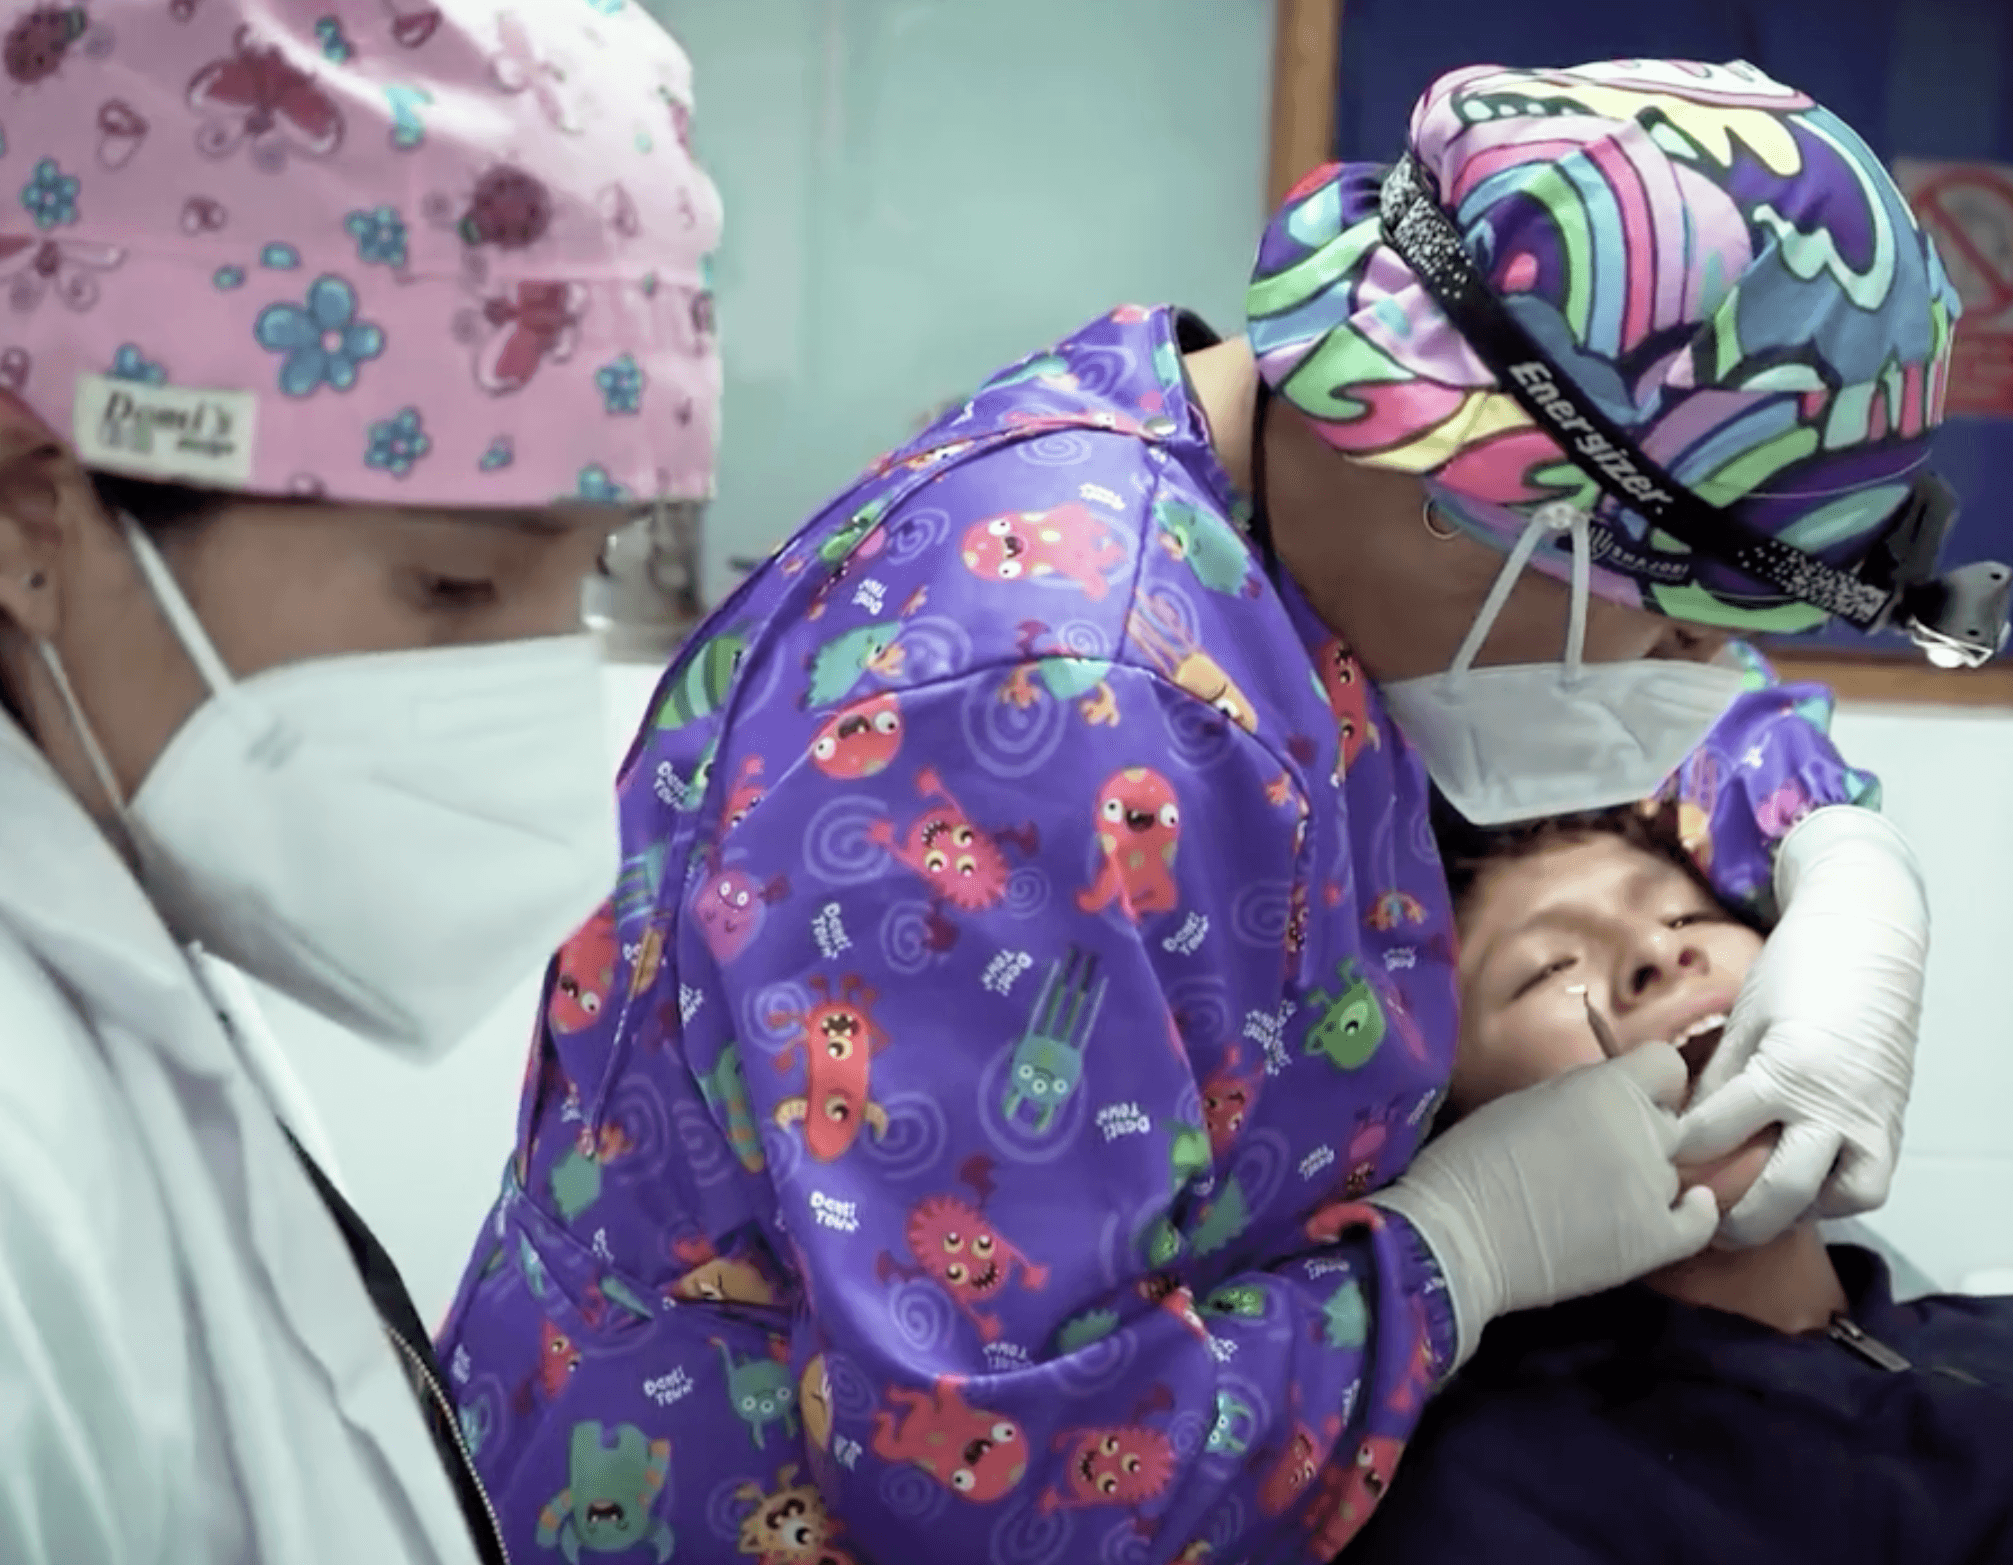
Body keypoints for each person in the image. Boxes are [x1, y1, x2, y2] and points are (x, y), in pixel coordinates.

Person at [437, 58, 1995, 1564]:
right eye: (1659, 619)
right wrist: (1463, 1254)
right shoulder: (1048, 702)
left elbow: (1669, 702)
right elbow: (1000, 1470)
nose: (1682, 671)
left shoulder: (1295, 516)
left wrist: (1843, 859)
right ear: (1488, 506)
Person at [0, 3, 720, 1561]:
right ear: (32, 514)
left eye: (582, 575)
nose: (523, 689)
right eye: (454, 590)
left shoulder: (138, 905)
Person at [1343, 805, 2013, 1564]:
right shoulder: (1494, 1499)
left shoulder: (1989, 1331)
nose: (1657, 951)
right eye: (1549, 967)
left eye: (1685, 912)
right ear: (1452, 1121)